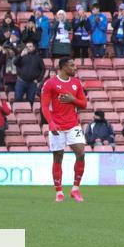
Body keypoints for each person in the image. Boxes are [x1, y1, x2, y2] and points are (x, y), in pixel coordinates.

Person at [41, 57, 88, 203]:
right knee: (58, 157)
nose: (75, 68)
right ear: (62, 68)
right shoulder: (50, 83)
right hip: (57, 126)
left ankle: (75, 189)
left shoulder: (76, 83)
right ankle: (59, 191)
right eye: (71, 66)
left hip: (73, 124)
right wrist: (51, 123)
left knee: (81, 153)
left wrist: (72, 100)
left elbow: (84, 104)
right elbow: (44, 106)